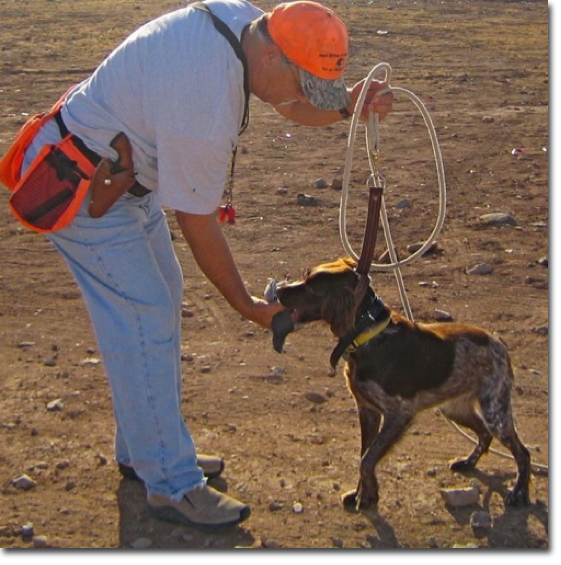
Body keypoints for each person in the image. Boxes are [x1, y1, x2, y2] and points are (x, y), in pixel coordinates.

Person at [17, 0, 393, 529]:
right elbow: (197, 221)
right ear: (271, 58)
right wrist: (247, 306)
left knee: (160, 297)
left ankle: (143, 450)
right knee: (144, 315)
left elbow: (288, 103)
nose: (302, 98)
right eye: (302, 82)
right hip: (85, 187)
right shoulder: (204, 98)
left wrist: (348, 105)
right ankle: (171, 484)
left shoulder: (250, 26)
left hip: (124, 173)